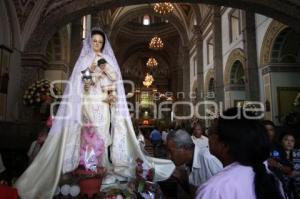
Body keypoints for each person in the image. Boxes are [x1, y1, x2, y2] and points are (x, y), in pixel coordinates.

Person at [15, 28, 175, 199]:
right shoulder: (84, 60)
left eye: (100, 42)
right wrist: (90, 74)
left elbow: (114, 83)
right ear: (90, 42)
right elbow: (82, 85)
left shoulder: (108, 62)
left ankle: (102, 166)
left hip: (103, 103)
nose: (97, 44)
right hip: (89, 103)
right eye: (95, 41)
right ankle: (87, 167)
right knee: (88, 135)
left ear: (103, 44)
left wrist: (110, 91)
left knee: (103, 135)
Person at [196, 107, 284, 199]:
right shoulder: (272, 180)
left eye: (210, 132)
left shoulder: (215, 189)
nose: (208, 138)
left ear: (224, 145)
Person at [166, 129, 222, 196]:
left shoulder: (208, 160)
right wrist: (182, 180)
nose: (169, 157)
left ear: (184, 148)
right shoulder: (187, 164)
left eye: (171, 151)